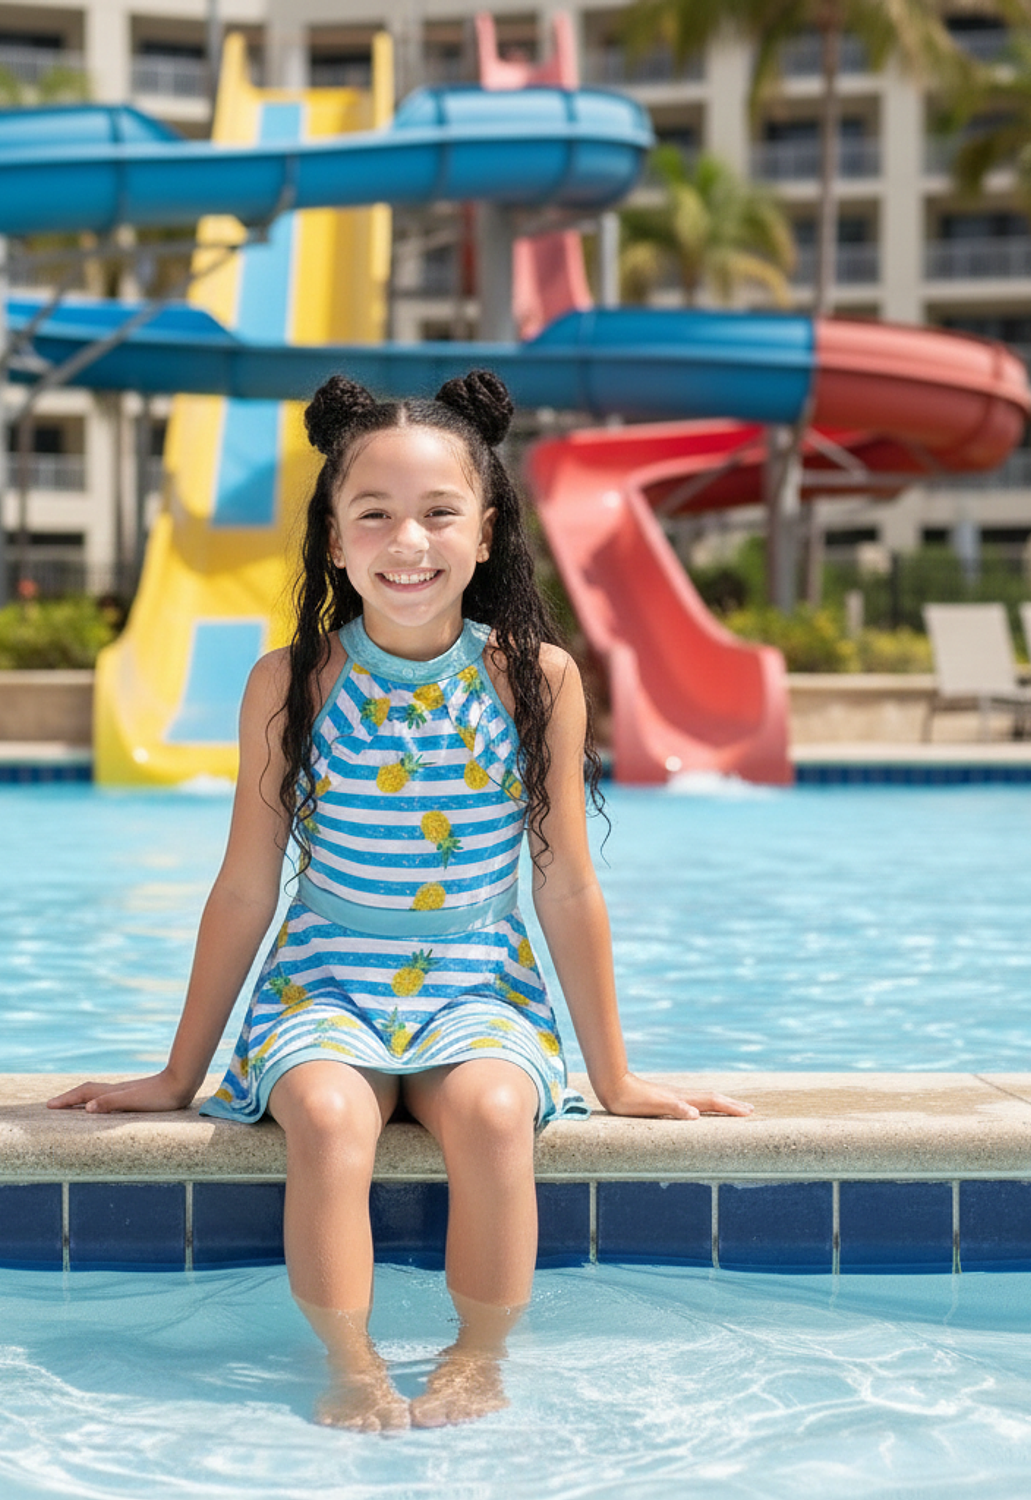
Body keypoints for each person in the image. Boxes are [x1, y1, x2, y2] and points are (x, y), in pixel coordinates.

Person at [49, 370, 752, 1431]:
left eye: (438, 513)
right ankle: (350, 1362)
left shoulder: (535, 679)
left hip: (479, 979)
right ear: (333, 540)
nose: (406, 540)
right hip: (326, 980)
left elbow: (564, 881)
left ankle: (477, 1359)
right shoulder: (292, 684)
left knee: (497, 1114)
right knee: (331, 1121)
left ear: (486, 532)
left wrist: (615, 1075)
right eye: (372, 513)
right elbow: (246, 884)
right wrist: (175, 1073)